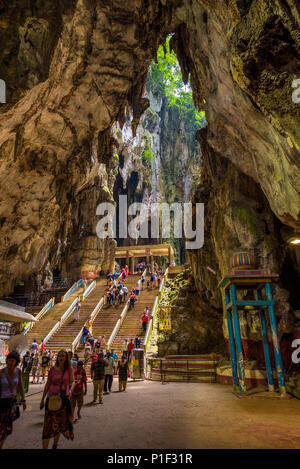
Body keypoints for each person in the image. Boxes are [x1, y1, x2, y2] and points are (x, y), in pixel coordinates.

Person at [40, 349, 75, 449]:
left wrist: (71, 391)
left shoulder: (69, 369)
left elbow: (72, 382)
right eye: (60, 355)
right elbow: (47, 384)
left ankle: (55, 445)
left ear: (66, 358)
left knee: (58, 425)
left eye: (63, 356)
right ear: (57, 357)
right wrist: (42, 398)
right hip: (51, 398)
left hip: (63, 399)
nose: (61, 357)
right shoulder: (52, 369)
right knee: (47, 425)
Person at [0, 351, 26, 449]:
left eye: (13, 360)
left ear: (16, 361)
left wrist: (23, 400)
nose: (11, 362)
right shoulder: (1, 372)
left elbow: (20, 386)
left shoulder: (18, 371)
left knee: (8, 428)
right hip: (1, 402)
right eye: (9, 360)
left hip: (12, 402)